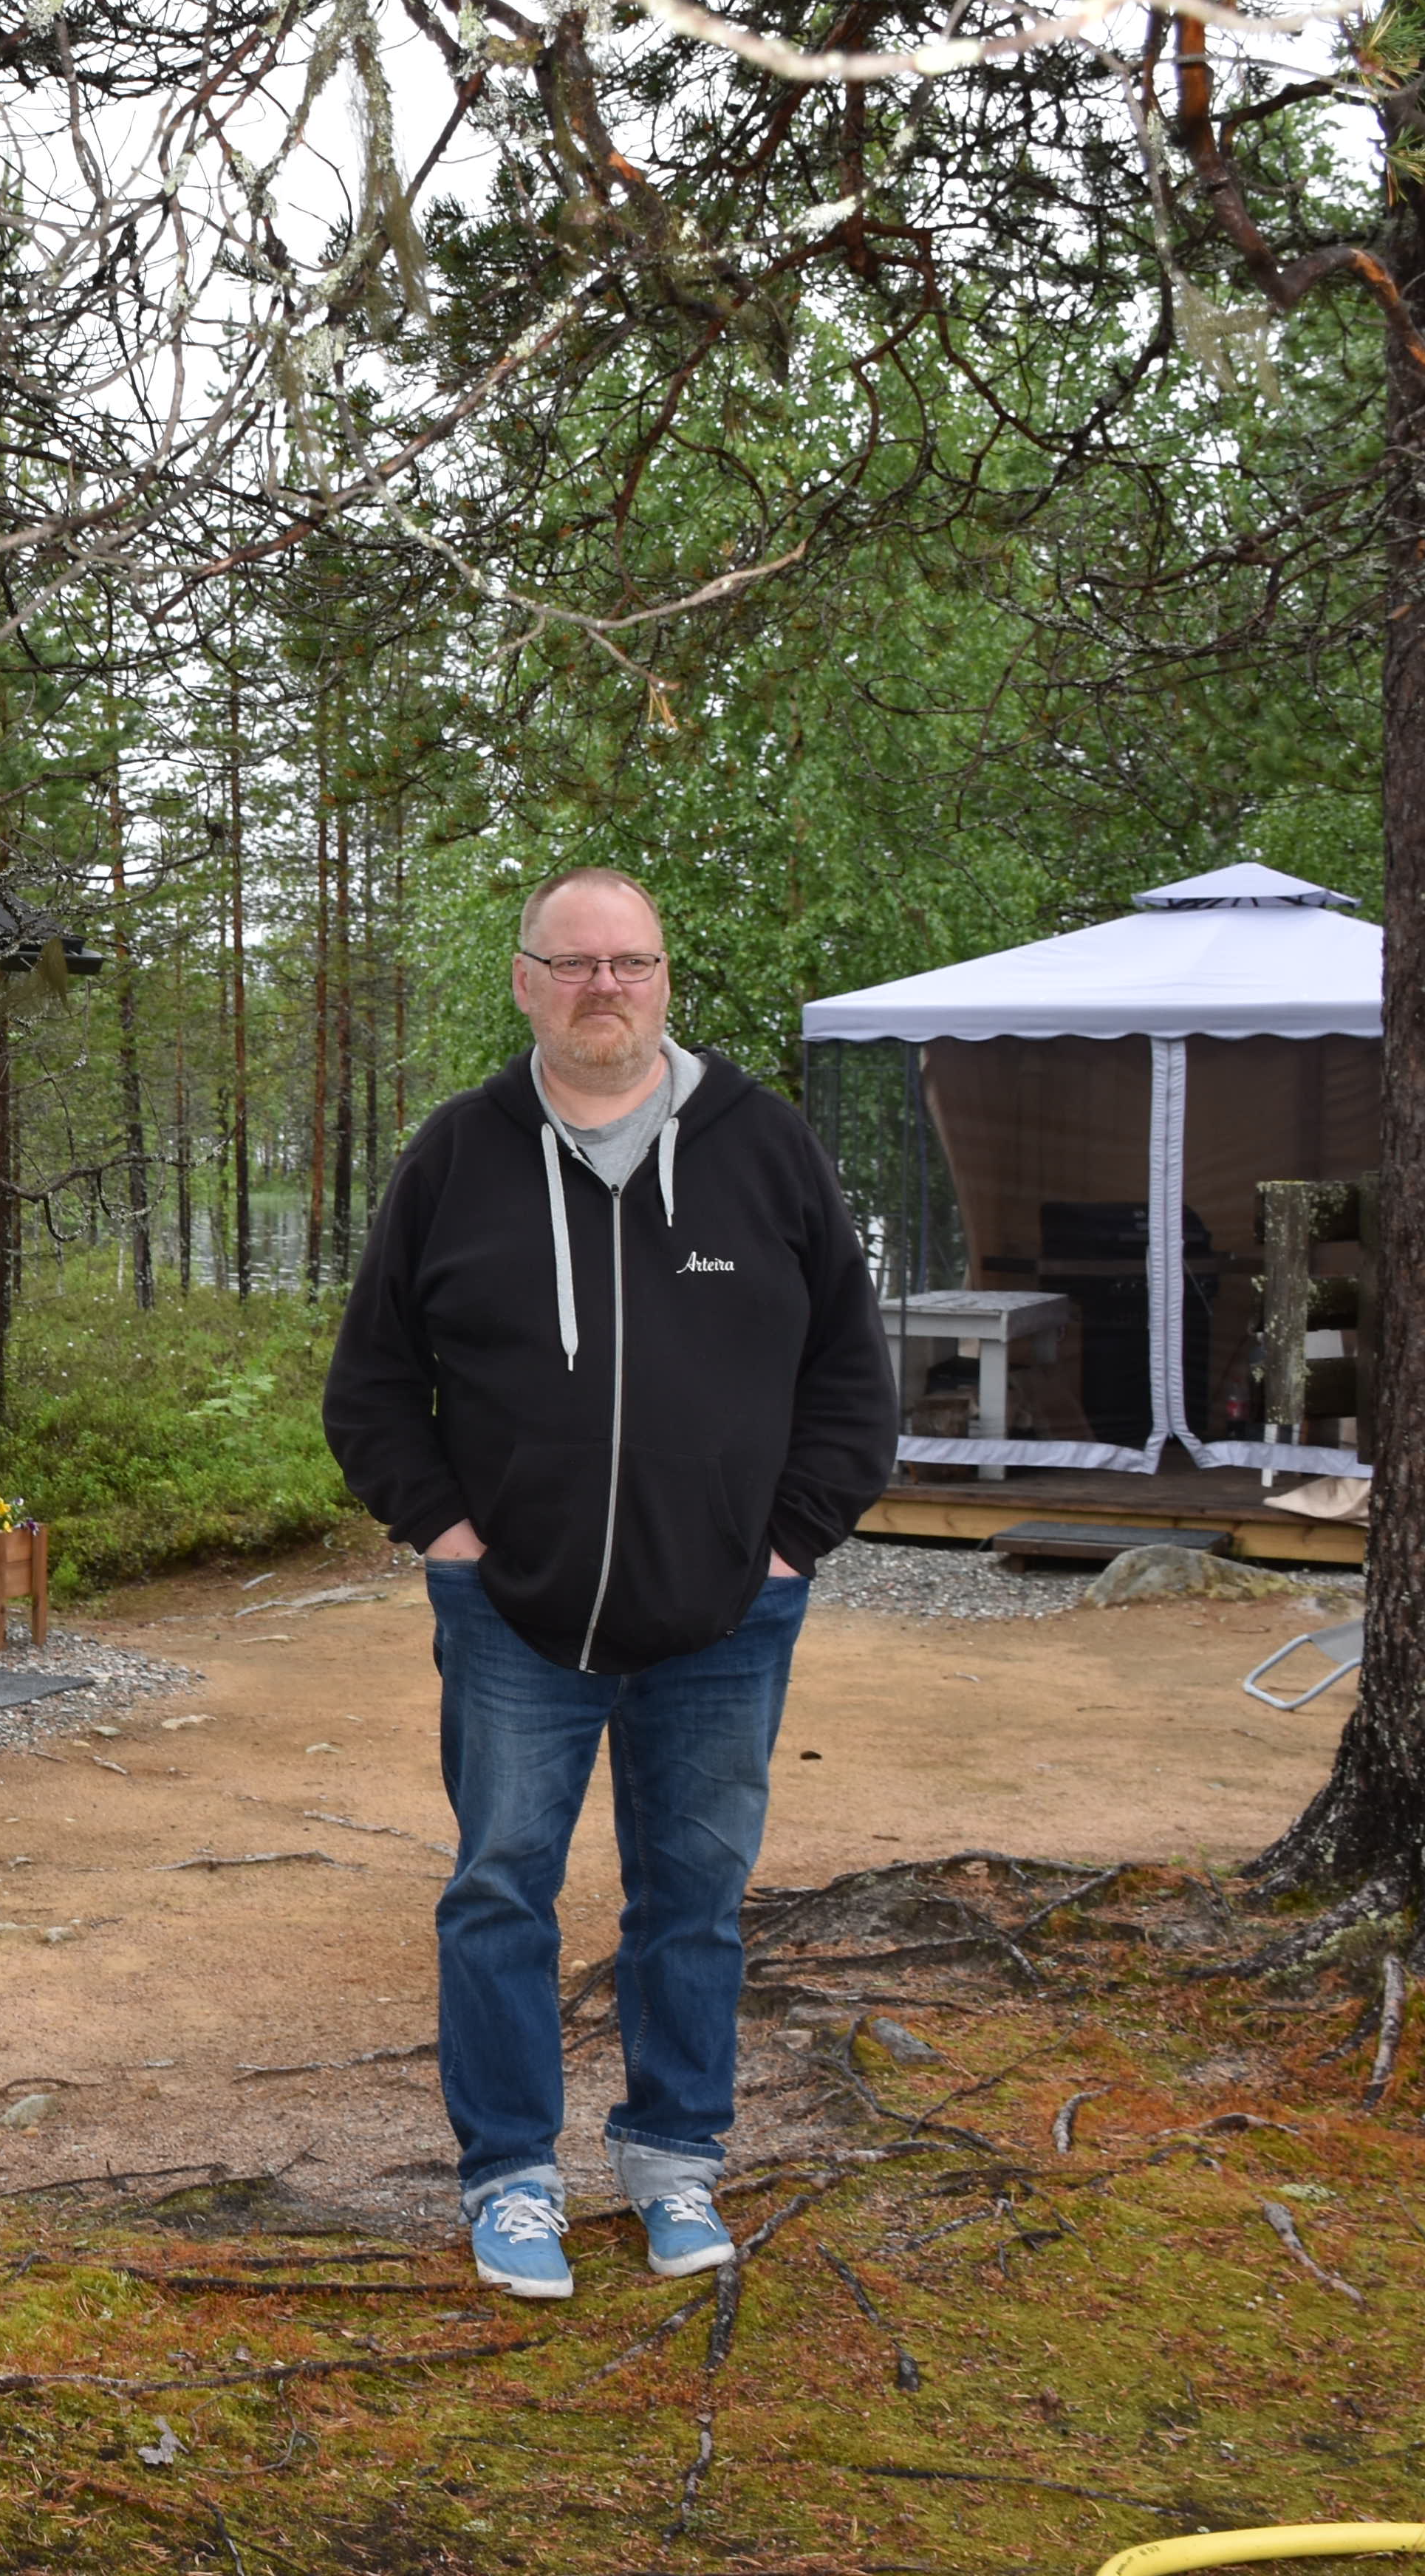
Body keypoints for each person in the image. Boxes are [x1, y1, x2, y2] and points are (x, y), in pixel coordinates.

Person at [321, 867, 895, 2298]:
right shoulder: (458, 1156)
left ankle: (672, 2158)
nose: (603, 987)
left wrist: (784, 1544)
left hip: (728, 1622)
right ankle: (513, 2174)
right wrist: (454, 1543)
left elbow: (854, 1378)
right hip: (516, 1620)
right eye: (573, 963)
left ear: (665, 980)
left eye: (630, 961)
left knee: (692, 1894)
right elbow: (373, 1387)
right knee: (502, 1887)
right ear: (525, 981)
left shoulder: (765, 1147)